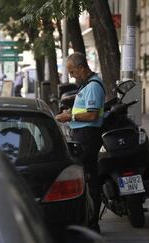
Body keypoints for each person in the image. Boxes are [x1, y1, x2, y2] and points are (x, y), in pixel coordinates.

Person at [55, 52, 105, 233]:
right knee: (85, 178)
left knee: (89, 180)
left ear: (82, 68)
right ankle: (89, 221)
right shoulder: (86, 85)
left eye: (72, 71)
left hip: (88, 136)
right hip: (83, 134)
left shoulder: (93, 86)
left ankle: (92, 224)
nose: (71, 75)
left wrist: (71, 115)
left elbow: (92, 114)